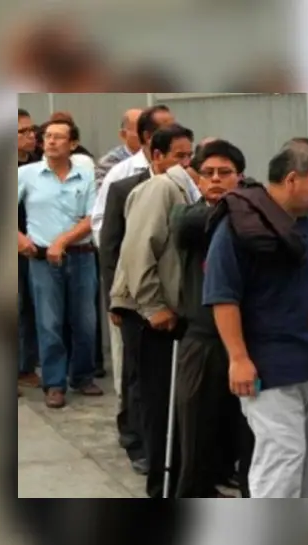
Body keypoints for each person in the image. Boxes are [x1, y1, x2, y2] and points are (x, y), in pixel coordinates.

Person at [204, 138, 308, 498]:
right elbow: (223, 296)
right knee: (282, 458)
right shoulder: (240, 225)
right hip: (271, 367)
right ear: (293, 179)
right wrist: (238, 358)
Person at [110, 123, 195, 498]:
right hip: (151, 316)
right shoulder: (161, 188)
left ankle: (176, 478)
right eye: (180, 156)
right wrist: (153, 306)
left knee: (171, 403)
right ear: (156, 156)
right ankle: (160, 486)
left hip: (169, 314)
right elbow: (137, 251)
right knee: (157, 402)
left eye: (191, 155)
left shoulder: (184, 189)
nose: (188, 163)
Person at [171, 139, 253, 497]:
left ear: (240, 176)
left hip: (248, 340)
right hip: (202, 339)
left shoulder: (252, 216)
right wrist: (251, 202)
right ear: (197, 178)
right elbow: (212, 220)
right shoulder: (187, 216)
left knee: (248, 435)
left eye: (225, 173)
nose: (216, 180)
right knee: (197, 434)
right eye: (207, 174)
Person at [98, 107, 172, 476]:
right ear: (148, 140)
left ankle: (158, 439)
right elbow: (109, 243)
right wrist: (113, 298)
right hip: (130, 298)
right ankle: (135, 438)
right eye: (165, 131)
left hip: (168, 301)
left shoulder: (185, 184)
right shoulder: (122, 181)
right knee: (133, 373)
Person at [18, 119, 101, 409]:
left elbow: (92, 218)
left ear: (73, 144)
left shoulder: (86, 175)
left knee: (85, 321)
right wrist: (19, 239)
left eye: (58, 137)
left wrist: (62, 241)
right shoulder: (27, 175)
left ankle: (83, 375)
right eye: (47, 137)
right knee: (49, 321)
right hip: (41, 261)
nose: (51, 142)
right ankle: (54, 383)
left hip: (81, 256)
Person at [93, 104, 200, 240]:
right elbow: (100, 222)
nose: (174, 133)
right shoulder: (121, 173)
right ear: (148, 136)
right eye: (167, 129)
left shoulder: (185, 174)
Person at [18, 108, 42, 391]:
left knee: (30, 309)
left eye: (31, 129)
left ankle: (26, 366)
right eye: (22, 131)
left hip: (34, 247)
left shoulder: (38, 163)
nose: (30, 135)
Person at [94, 108, 143, 192]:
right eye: (140, 131)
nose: (147, 136)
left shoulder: (158, 157)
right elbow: (105, 195)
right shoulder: (109, 162)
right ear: (123, 135)